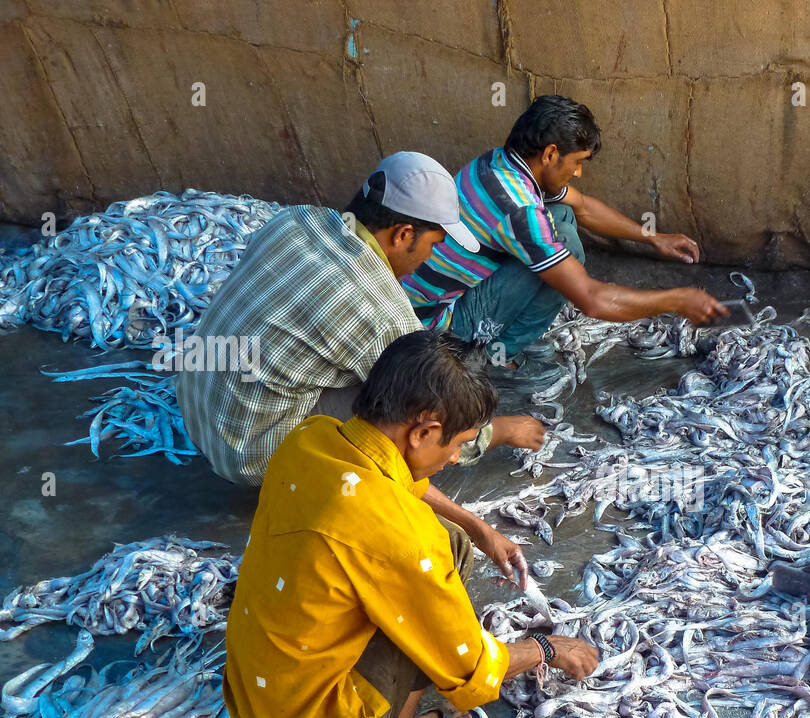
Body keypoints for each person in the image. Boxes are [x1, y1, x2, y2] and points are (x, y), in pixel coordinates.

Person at [223, 331, 599, 718]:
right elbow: (471, 664)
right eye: (457, 443)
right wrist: (546, 648)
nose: (458, 456)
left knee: (452, 542)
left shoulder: (311, 439)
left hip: (253, 704)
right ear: (422, 433)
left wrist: (478, 527)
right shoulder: (402, 540)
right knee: (426, 601)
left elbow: (392, 479)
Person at [176, 151, 539, 581]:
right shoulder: (381, 313)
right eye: (433, 244)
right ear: (403, 234)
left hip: (193, 402)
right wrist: (500, 432)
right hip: (245, 454)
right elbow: (435, 423)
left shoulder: (296, 220)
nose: (430, 258)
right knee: (401, 407)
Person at [403, 95, 728, 357]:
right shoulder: (519, 209)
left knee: (562, 216)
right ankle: (496, 357)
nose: (578, 173)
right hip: (440, 328)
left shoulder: (500, 162)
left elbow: (583, 207)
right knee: (568, 245)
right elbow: (591, 299)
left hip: (435, 297)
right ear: (551, 154)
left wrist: (652, 236)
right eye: (577, 163)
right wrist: (677, 300)